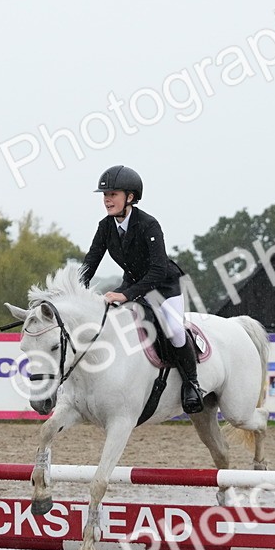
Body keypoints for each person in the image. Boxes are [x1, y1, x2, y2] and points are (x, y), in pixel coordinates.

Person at [79, 165, 204, 414]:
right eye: (105, 194)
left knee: (175, 330)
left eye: (113, 194)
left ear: (131, 197)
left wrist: (125, 294)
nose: (107, 199)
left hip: (164, 286)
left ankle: (192, 384)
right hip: (133, 284)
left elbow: (157, 270)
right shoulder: (105, 227)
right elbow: (90, 263)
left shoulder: (148, 225)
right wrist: (74, 290)